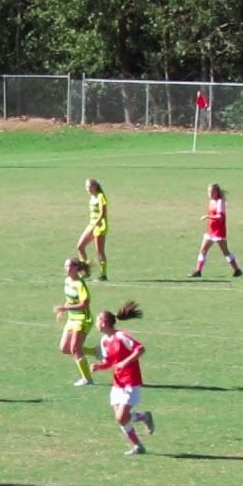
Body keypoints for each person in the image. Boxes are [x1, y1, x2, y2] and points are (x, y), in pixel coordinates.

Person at [92, 301, 154, 455]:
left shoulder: (121, 336)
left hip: (130, 381)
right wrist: (99, 367)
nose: (95, 323)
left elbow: (140, 349)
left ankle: (143, 421)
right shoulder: (104, 341)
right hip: (117, 383)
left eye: (97, 320)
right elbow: (109, 362)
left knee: (121, 418)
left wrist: (125, 362)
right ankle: (139, 443)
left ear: (105, 323)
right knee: (121, 419)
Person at [54, 257, 98, 386]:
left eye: (68, 266)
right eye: (65, 266)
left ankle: (87, 379)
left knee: (75, 348)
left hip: (83, 319)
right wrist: (63, 309)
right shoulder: (67, 281)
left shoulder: (80, 284)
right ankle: (95, 352)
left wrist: (65, 308)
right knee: (65, 348)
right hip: (72, 319)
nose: (65, 268)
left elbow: (85, 304)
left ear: (76, 269)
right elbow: (70, 299)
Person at [190, 183, 242, 278]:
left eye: (211, 191)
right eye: (208, 191)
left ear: (216, 192)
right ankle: (198, 271)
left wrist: (207, 216)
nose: (209, 193)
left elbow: (220, 217)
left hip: (218, 231)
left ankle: (237, 270)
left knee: (225, 251)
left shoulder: (220, 202)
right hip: (210, 230)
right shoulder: (211, 202)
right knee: (203, 249)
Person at [77, 178, 109, 281]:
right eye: (86, 187)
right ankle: (85, 271)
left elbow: (102, 213)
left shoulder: (100, 196)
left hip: (99, 226)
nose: (88, 189)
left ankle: (103, 274)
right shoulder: (92, 196)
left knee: (99, 251)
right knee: (80, 246)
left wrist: (96, 225)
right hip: (91, 224)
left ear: (95, 186)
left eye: (90, 186)